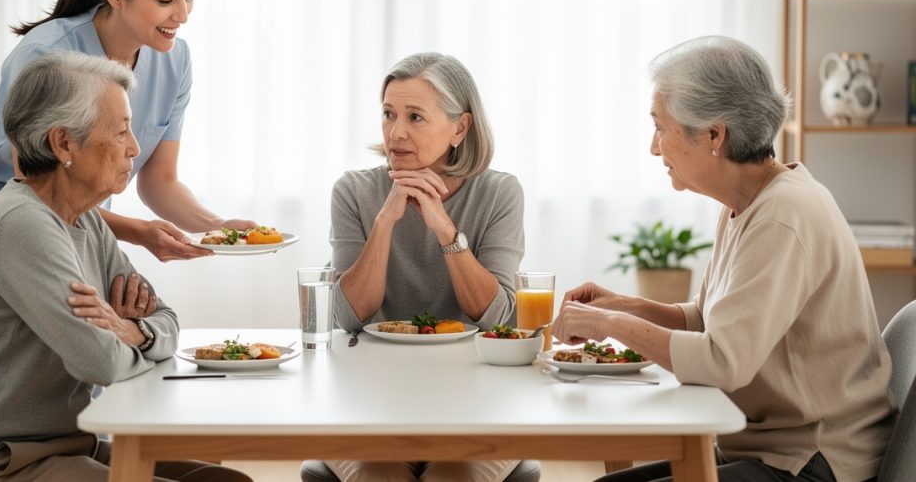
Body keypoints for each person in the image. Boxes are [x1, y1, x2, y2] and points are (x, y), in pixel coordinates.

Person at [552, 36, 895, 482]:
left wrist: (608, 327)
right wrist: (621, 306)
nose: (655, 148)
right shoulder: (747, 204)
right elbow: (708, 320)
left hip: (813, 461)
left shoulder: (783, 216)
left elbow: (721, 361)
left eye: (660, 127)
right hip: (769, 450)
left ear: (715, 135)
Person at [0, 0, 255, 337]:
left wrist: (217, 229)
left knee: (79, 385)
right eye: (167, 0)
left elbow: (159, 181)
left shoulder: (175, 60)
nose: (182, 15)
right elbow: (36, 187)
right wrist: (136, 232)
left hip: (76, 237)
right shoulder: (46, 56)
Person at [0, 52, 252, 482]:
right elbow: (100, 362)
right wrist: (129, 344)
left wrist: (135, 332)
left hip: (67, 444)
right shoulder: (21, 224)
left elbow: (167, 320)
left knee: (225, 480)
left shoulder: (87, 219)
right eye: (120, 132)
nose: (135, 148)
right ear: (63, 144)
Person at [326, 52, 523, 482]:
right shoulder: (354, 191)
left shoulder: (499, 192)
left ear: (460, 127)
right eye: (388, 114)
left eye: (416, 117)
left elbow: (497, 318)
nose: (396, 132)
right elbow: (348, 317)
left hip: (477, 399)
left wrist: (445, 231)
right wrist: (384, 223)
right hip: (370, 398)